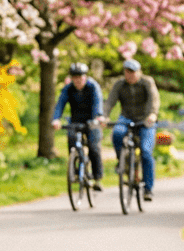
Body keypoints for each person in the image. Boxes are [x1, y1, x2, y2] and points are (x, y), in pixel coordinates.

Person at [109, 59, 161, 203]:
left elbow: (154, 99)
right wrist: (104, 116)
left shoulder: (147, 82)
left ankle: (148, 188)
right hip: (126, 118)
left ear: (139, 72)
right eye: (127, 72)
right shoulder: (120, 84)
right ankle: (122, 161)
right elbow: (110, 102)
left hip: (145, 120)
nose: (129, 75)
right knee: (118, 133)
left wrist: (152, 114)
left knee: (145, 151)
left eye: (132, 72)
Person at [54, 63, 104, 187]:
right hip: (76, 120)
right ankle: (75, 172)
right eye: (75, 77)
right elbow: (60, 104)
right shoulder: (68, 88)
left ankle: (97, 178)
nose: (78, 80)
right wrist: (56, 119)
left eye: (80, 77)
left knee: (94, 147)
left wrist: (98, 116)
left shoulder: (93, 86)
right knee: (72, 142)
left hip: (92, 120)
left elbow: (97, 102)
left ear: (85, 76)